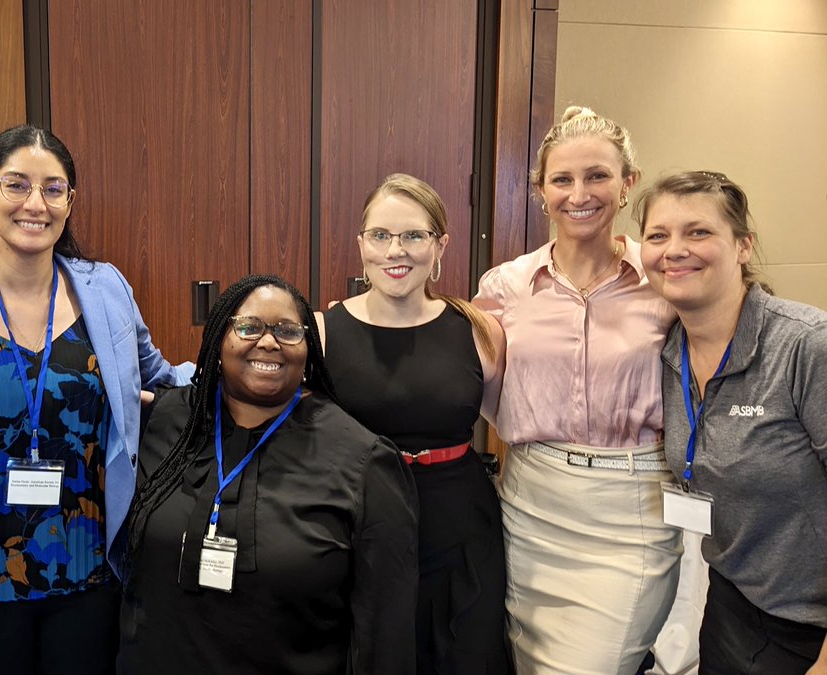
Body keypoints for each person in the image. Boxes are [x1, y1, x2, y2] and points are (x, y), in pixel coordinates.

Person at [0, 124, 191, 674]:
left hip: (92, 569)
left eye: (54, 189)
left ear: (70, 202)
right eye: (17, 185)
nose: (36, 204)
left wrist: (244, 367)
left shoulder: (106, 289)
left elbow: (161, 376)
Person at [119, 274, 419, 674]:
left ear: (308, 348)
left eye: (288, 331)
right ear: (218, 338)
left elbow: (384, 636)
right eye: (248, 327)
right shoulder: (167, 421)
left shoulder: (362, 462)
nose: (268, 342)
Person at [473, 106, 681, 675]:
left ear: (627, 182)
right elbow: (465, 374)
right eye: (562, 179)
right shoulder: (506, 286)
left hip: (630, 515)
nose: (579, 193)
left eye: (597, 176)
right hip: (529, 506)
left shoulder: (663, 281)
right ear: (540, 189)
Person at [315, 173, 509, 674]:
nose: (394, 250)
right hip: (358, 525)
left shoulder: (480, 330)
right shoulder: (322, 331)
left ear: (440, 244)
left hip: (461, 529)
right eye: (380, 235)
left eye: (413, 236)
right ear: (360, 245)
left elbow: (509, 425)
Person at [636, 170, 827, 674]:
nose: (674, 249)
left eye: (698, 232)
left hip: (809, 630)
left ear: (744, 246)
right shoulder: (666, 354)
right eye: (658, 235)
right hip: (730, 609)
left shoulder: (806, 347)